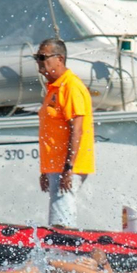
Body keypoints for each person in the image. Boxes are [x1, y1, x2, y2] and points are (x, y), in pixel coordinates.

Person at [35, 38, 95, 229]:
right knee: (57, 219)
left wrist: (68, 168)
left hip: (67, 167)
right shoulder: (54, 87)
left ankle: (64, 255)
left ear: (59, 59)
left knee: (62, 223)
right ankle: (59, 254)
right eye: (37, 58)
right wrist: (45, 170)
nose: (39, 62)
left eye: (43, 57)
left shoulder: (70, 86)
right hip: (56, 167)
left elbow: (77, 129)